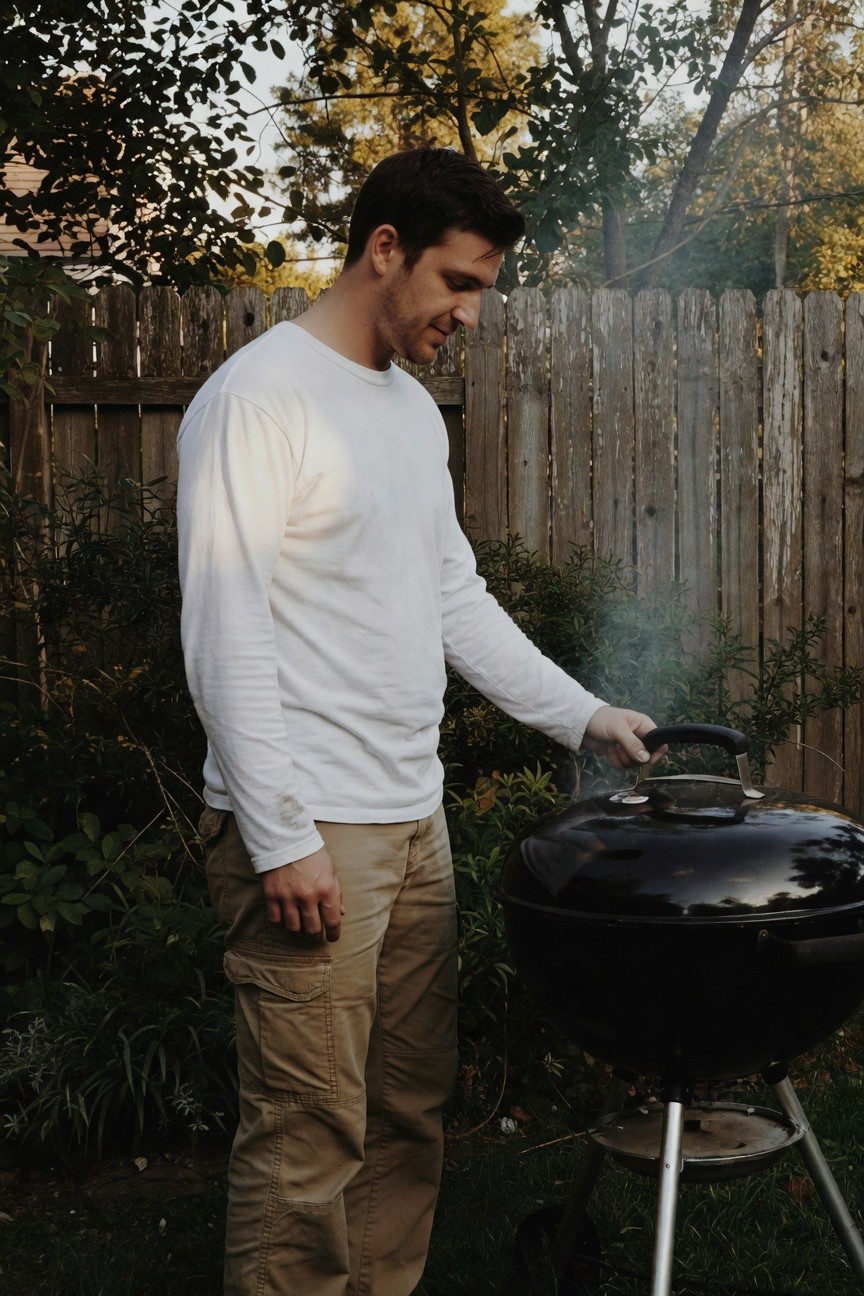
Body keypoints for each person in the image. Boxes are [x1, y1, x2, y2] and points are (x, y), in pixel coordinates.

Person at [177, 147, 659, 1296]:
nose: (472, 314)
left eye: (483, 288)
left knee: (403, 1113)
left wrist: (581, 713)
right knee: (307, 1142)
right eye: (460, 282)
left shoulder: (405, 411)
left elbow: (452, 597)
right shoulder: (259, 399)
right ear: (384, 249)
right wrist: (280, 833)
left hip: (410, 822)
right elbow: (223, 628)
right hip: (314, 831)